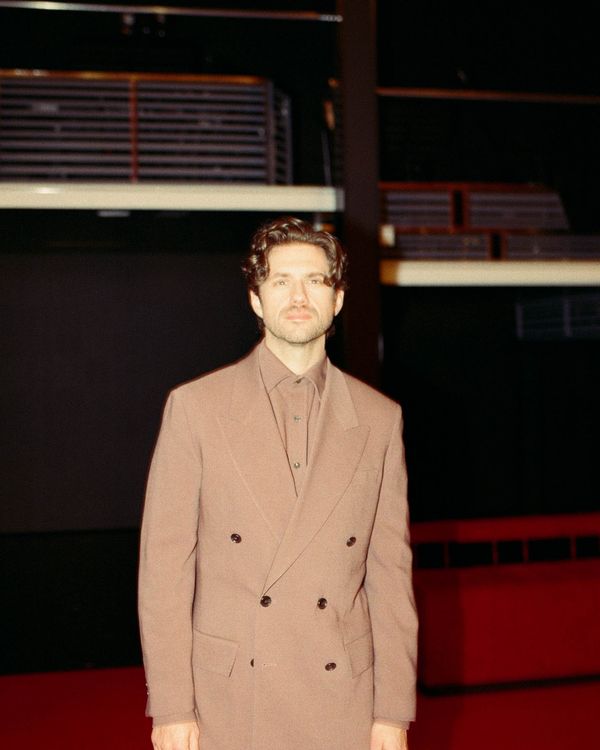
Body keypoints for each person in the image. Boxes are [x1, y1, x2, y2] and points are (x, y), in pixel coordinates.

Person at [138, 217, 418, 750]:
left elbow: (390, 575)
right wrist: (173, 706)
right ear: (256, 299)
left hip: (343, 698)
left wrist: (393, 712)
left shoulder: (380, 419)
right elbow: (164, 571)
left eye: (315, 281)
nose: (298, 296)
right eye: (280, 280)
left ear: (337, 299)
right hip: (230, 696)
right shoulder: (196, 408)